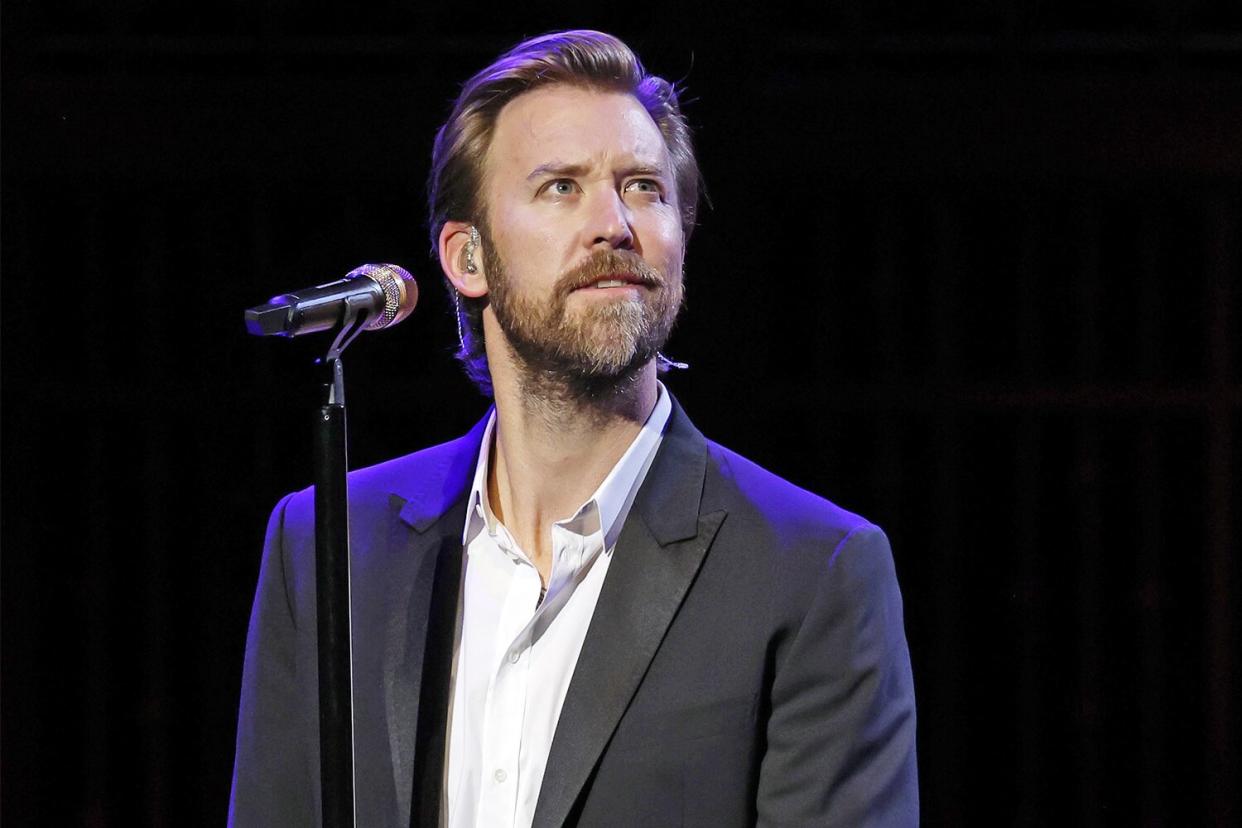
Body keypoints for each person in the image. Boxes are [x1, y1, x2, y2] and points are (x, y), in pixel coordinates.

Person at [230, 29, 918, 827]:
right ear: (467, 258)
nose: (614, 225)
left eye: (644, 188)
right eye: (561, 187)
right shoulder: (327, 544)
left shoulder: (812, 569)